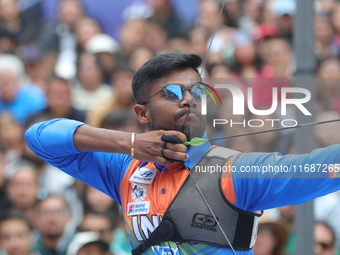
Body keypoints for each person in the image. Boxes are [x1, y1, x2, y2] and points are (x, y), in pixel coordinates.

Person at [25, 53, 340, 255]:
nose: (189, 99)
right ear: (142, 113)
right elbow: (39, 137)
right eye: (173, 93)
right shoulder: (123, 167)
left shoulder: (235, 172)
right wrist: (131, 144)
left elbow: (323, 167)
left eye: (197, 91)